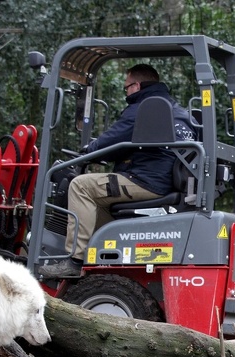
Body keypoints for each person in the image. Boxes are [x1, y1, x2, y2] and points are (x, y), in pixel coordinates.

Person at [39, 64, 197, 279]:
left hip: (144, 181)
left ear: (136, 85)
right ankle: (101, 255)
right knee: (100, 204)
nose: (126, 93)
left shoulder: (143, 108)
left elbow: (110, 141)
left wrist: (88, 150)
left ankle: (74, 261)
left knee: (80, 186)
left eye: (126, 87)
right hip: (164, 181)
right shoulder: (180, 112)